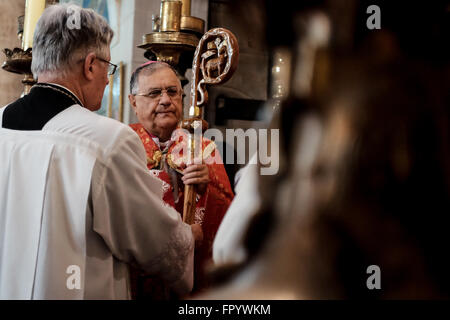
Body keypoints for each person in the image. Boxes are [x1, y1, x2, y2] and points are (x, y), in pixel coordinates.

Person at [0, 4, 202, 300]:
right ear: (90, 65)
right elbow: (154, 241)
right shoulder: (107, 140)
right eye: (107, 68)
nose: (108, 80)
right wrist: (189, 238)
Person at [128, 61, 234, 296]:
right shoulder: (121, 145)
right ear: (133, 102)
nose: (165, 100)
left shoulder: (204, 148)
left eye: (172, 92)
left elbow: (228, 213)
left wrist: (208, 187)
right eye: (155, 93)